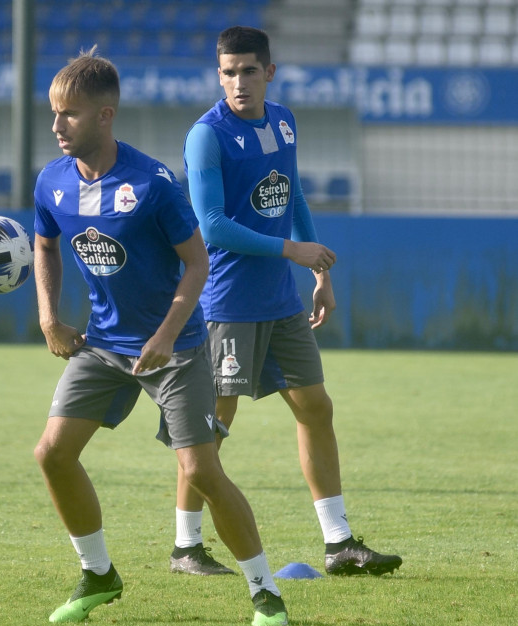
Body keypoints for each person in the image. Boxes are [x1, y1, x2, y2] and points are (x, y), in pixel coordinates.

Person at [33, 47, 288, 626]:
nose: (56, 126)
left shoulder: (152, 183)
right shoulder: (51, 181)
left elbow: (196, 264)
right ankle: (98, 574)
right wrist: (49, 317)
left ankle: (264, 591)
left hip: (178, 351)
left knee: (201, 471)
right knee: (52, 453)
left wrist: (168, 336)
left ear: (105, 115)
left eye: (68, 114)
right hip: (103, 347)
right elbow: (44, 243)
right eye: (53, 113)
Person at [167, 26, 401, 577]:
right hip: (227, 303)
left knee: (316, 409)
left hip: (281, 300)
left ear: (269, 72)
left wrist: (318, 269)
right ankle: (186, 547)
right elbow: (214, 227)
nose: (238, 82)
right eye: (227, 72)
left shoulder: (284, 121)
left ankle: (339, 542)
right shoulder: (207, 136)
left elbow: (290, 191)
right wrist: (295, 249)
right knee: (210, 427)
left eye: (249, 70)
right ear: (218, 74)